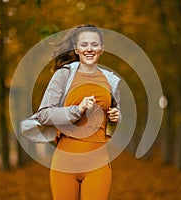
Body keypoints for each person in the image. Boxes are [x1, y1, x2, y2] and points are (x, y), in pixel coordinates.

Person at [35, 24, 121, 200]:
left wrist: (115, 117)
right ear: (76, 48)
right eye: (84, 44)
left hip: (98, 162)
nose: (89, 49)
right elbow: (43, 114)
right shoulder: (63, 75)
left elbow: (111, 119)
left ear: (102, 49)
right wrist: (77, 110)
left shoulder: (110, 81)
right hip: (65, 162)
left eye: (94, 44)